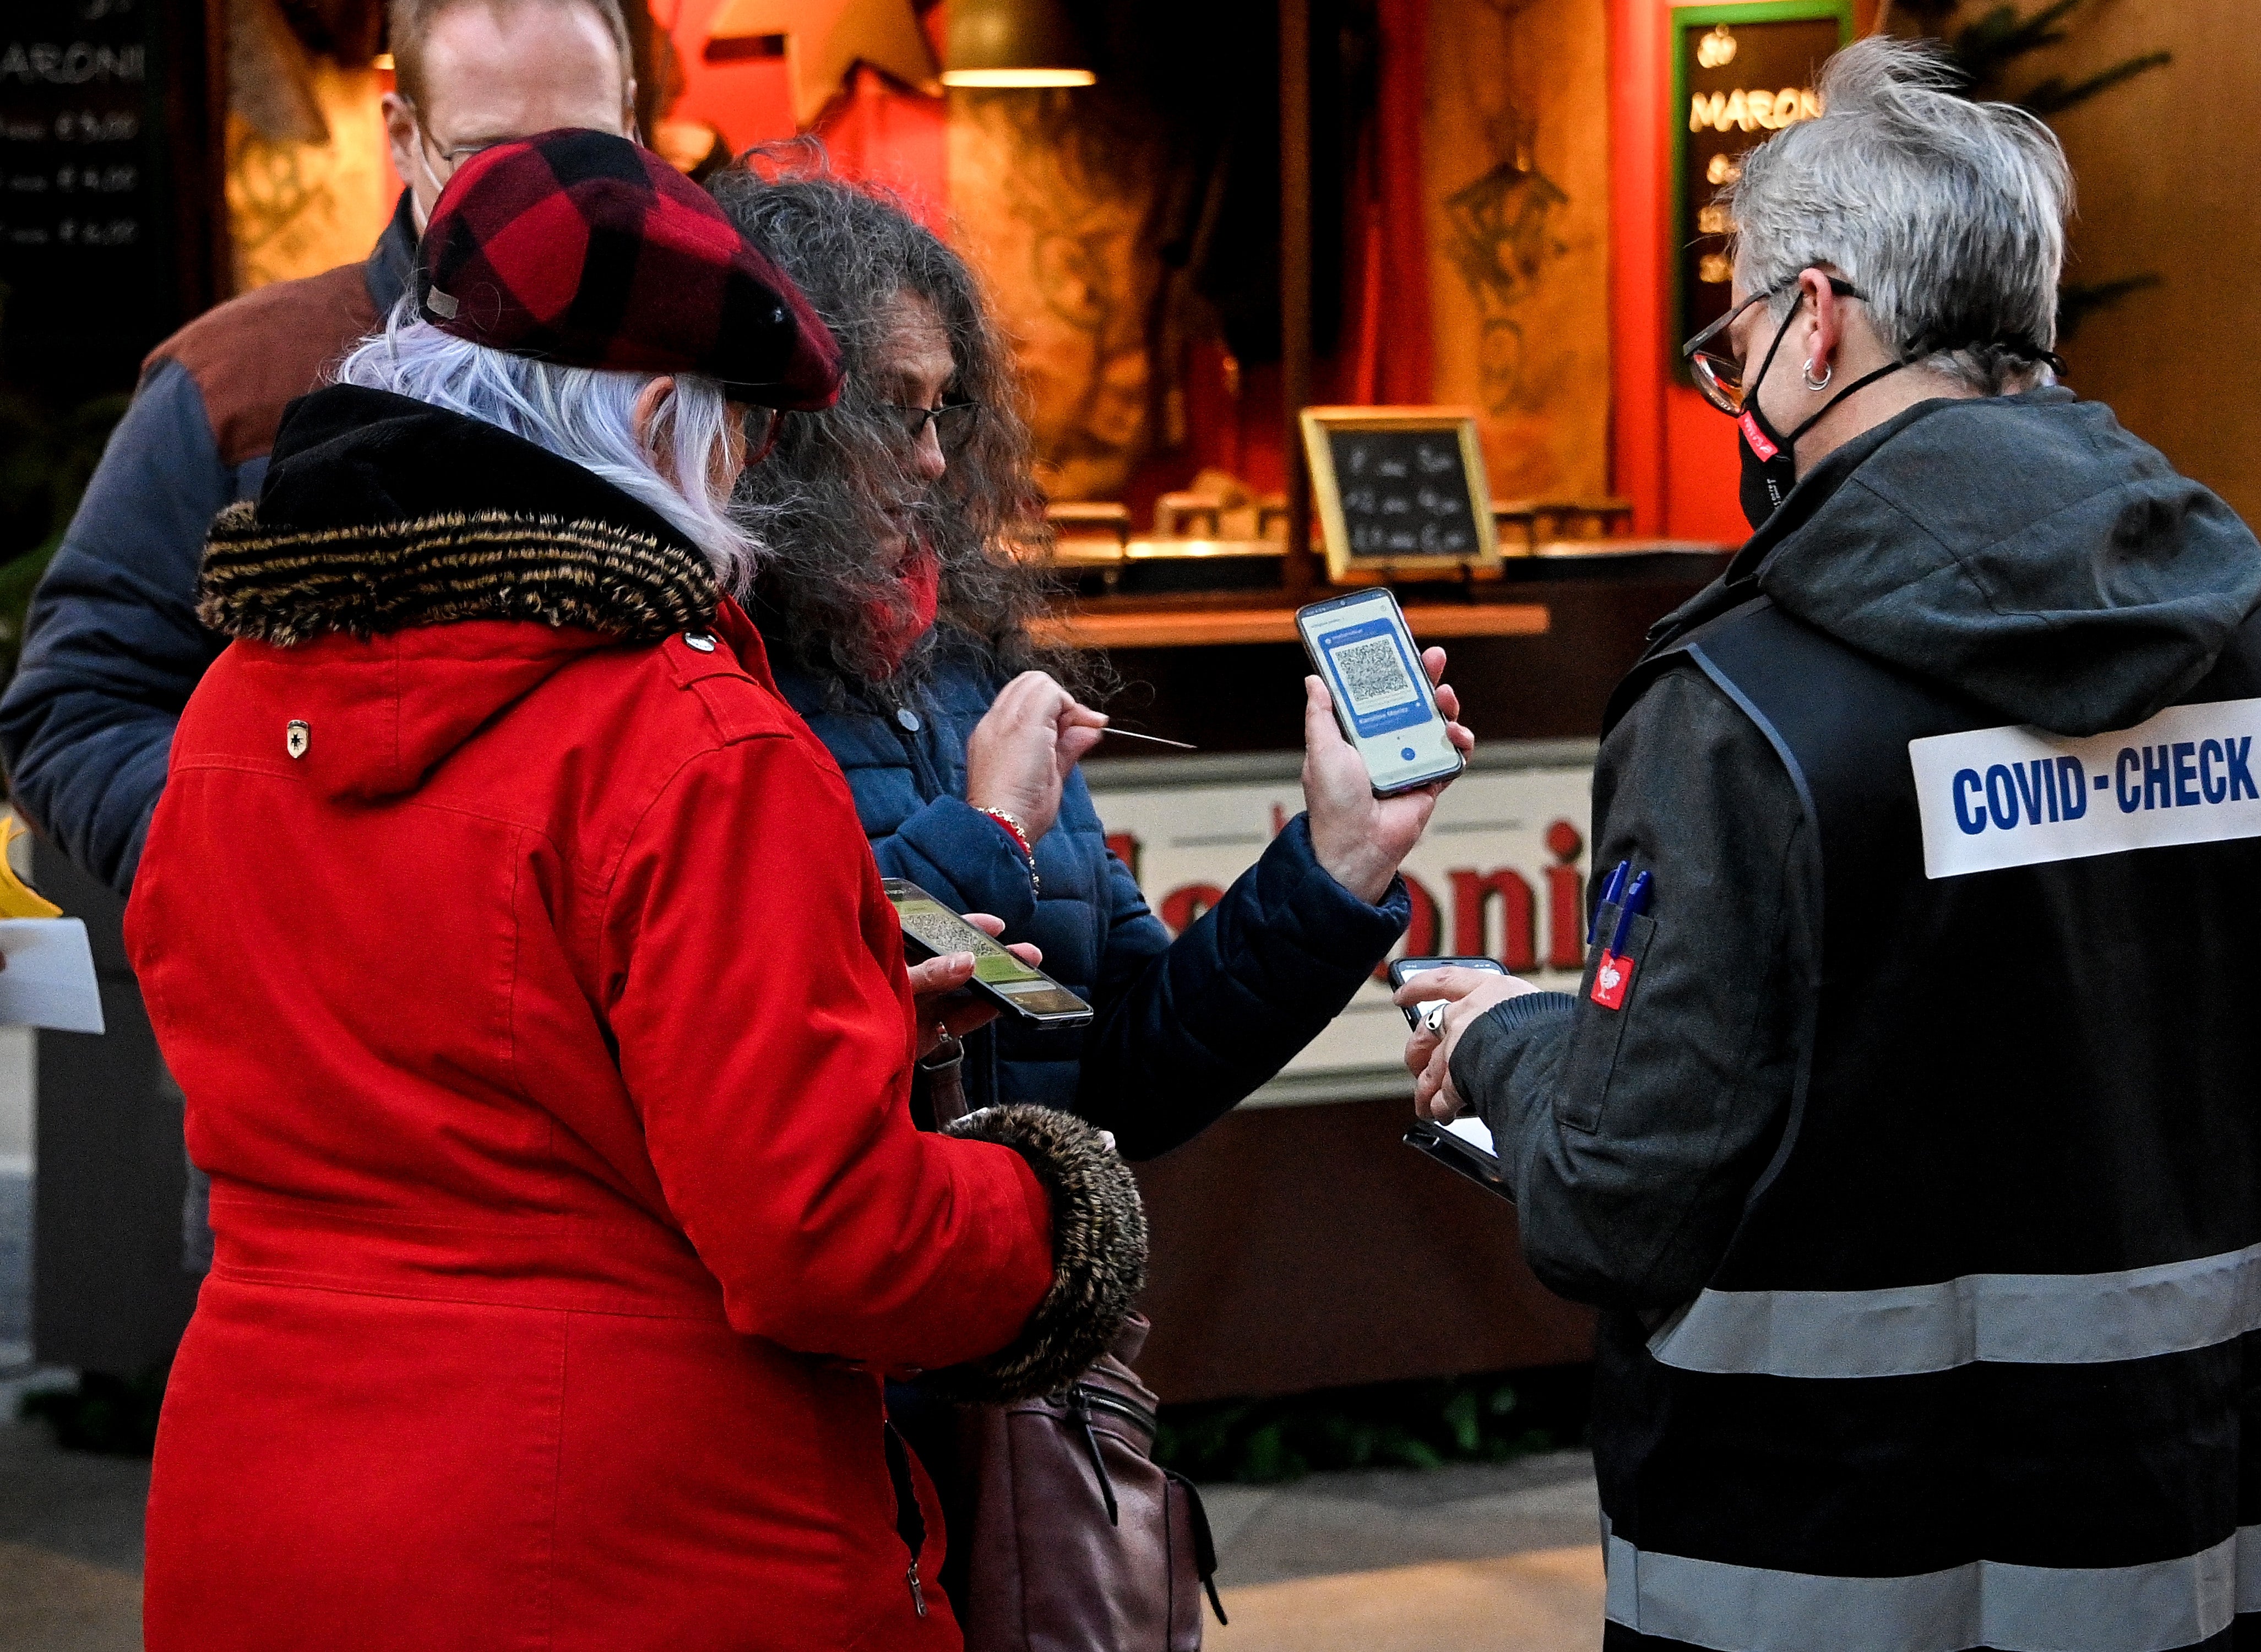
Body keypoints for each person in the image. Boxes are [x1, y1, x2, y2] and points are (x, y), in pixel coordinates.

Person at [1399, 39, 2261, 1652]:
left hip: (1813, 1574)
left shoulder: (1735, 703)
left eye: (1734, 336)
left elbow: (1616, 1197)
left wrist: (1511, 1044)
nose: (1737, 370)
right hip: (2203, 1562)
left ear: (1812, 322)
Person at [123, 129, 1144, 1650]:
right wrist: (1055, 1212)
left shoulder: (225, 715)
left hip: (258, 1517)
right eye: (740, 435)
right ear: (664, 420)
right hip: (637, 1549)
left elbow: (466, 1068)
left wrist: (839, 1010)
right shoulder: (693, 740)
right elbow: (828, 1235)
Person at [0, 0, 640, 1320]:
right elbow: (73, 704)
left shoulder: (700, 371)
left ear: (637, 129)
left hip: (653, 1096)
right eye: (487, 154)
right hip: (328, 1118)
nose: (540, 202)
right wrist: (255, 870)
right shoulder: (242, 382)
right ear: (401, 136)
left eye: (579, 150)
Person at [709, 158, 1470, 1154]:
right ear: (781, 421)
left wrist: (1337, 865)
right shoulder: (708, 681)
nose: (933, 459)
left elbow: (1126, 1070)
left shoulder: (966, 669)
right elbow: (770, 1037)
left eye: (944, 409)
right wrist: (990, 832)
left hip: (1017, 1289)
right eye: (893, 409)